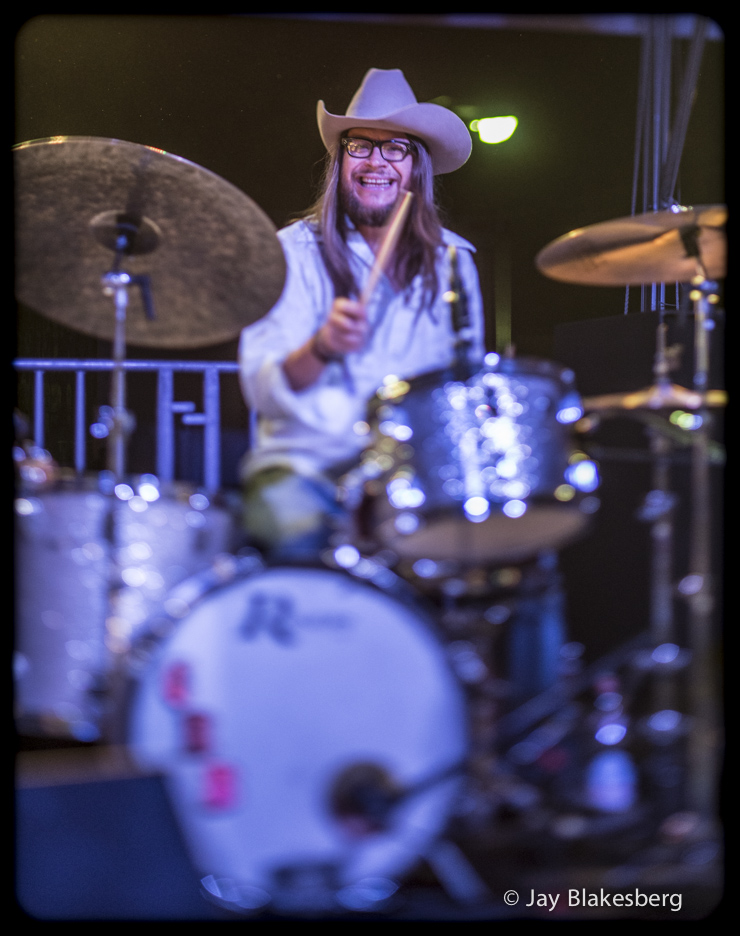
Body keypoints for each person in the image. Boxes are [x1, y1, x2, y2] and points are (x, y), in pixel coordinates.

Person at [238, 67, 485, 561]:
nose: (376, 161)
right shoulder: (289, 253)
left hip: (411, 471)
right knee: (289, 533)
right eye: (361, 146)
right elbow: (262, 390)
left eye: (395, 148)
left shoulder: (453, 261)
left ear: (417, 167)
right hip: (306, 465)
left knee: (501, 555)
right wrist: (321, 347)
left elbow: (463, 381)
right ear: (340, 160)